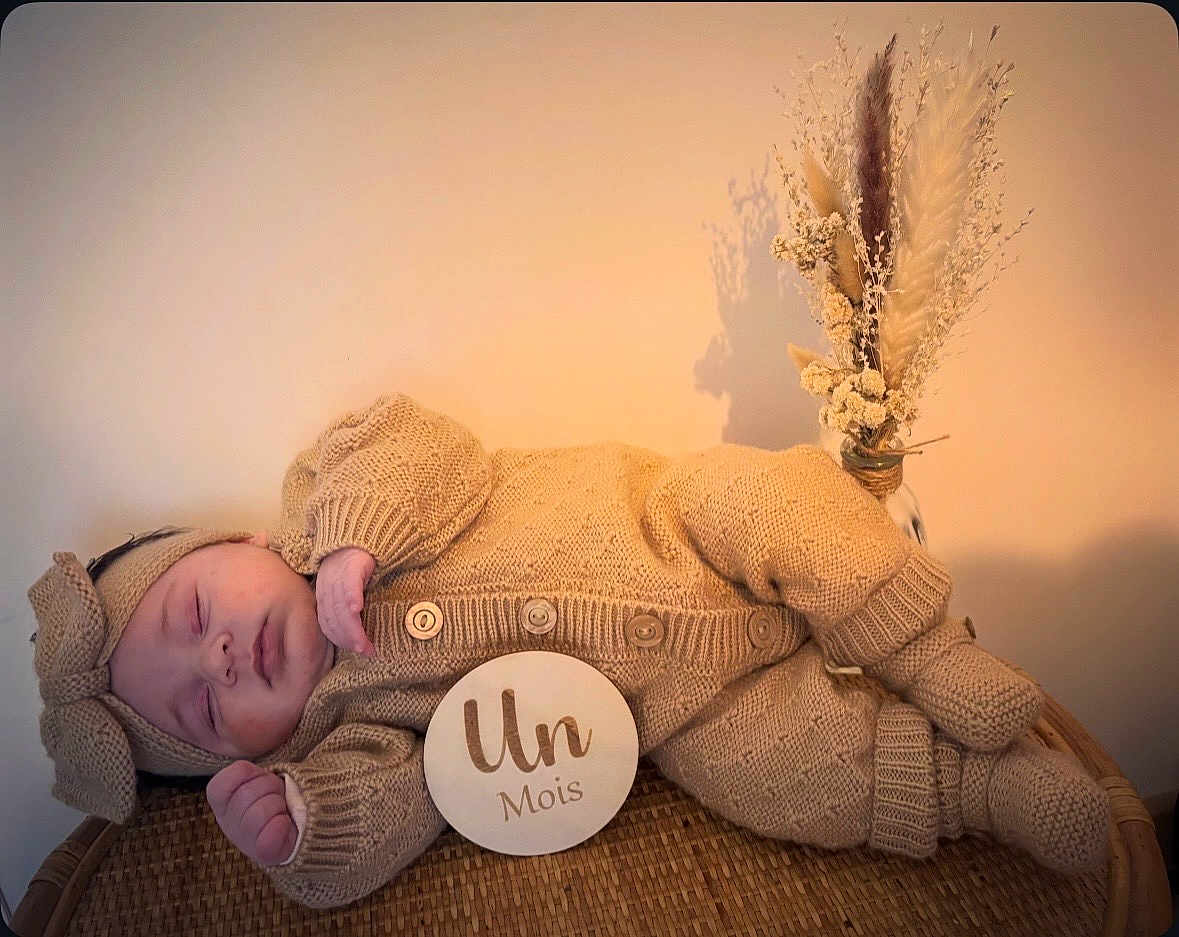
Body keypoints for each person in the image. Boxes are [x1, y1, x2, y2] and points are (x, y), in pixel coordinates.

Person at [28, 393, 1109, 909]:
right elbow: (409, 804)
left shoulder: (328, 496)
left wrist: (358, 537)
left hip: (679, 524)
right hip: (683, 712)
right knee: (780, 775)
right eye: (204, 711)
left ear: (243, 544)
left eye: (190, 615)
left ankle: (933, 659)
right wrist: (304, 830)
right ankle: (984, 787)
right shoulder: (350, 733)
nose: (217, 659)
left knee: (782, 500)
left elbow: (427, 442)